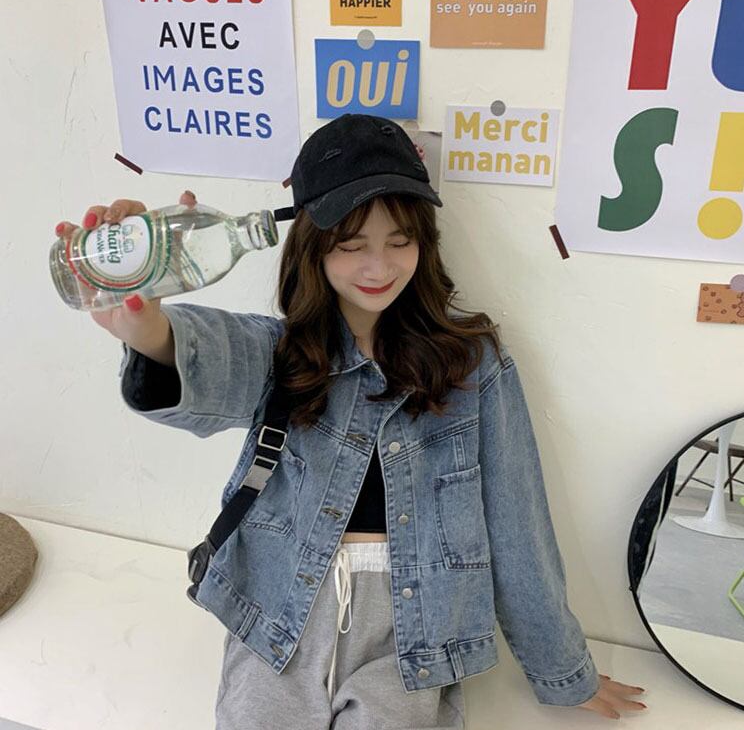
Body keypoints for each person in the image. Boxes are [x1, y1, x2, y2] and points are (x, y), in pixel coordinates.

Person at [54, 113, 648, 728]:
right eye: (352, 244)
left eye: (399, 241)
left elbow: (518, 525)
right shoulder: (282, 353)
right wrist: (143, 323)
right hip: (278, 609)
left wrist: (562, 670)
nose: (379, 266)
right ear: (314, 245)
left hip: (414, 631)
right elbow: (205, 355)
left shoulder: (473, 367)